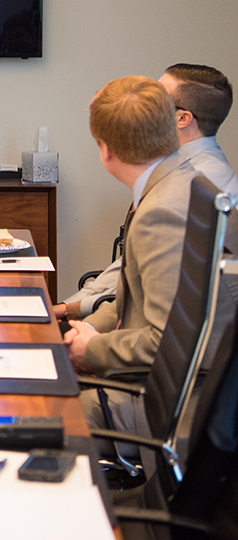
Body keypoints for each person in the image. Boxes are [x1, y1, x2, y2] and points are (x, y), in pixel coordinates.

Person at [63, 76, 199, 433]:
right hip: (158, 381)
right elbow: (133, 296)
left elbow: (164, 339)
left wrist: (92, 350)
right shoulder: (174, 182)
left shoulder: (163, 212)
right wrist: (90, 329)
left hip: (165, 403)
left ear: (106, 150)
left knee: (39, 408)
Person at [54, 63, 236, 321]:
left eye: (158, 98)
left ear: (182, 118)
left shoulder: (196, 184)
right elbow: (134, 267)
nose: (144, 100)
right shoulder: (176, 168)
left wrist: (72, 312)